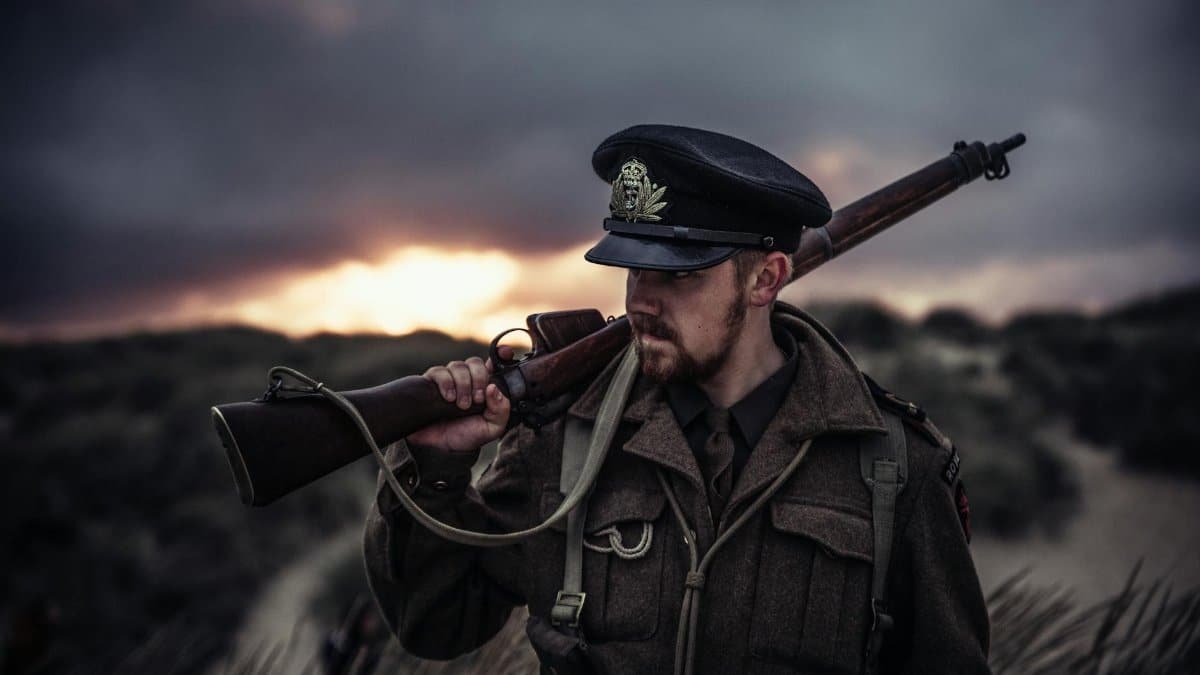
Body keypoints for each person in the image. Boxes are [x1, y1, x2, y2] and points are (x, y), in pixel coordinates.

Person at [363, 124, 990, 674]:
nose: (640, 300)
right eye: (635, 268)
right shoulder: (562, 439)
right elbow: (438, 625)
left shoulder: (893, 468)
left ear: (766, 278)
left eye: (678, 275)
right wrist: (434, 472)